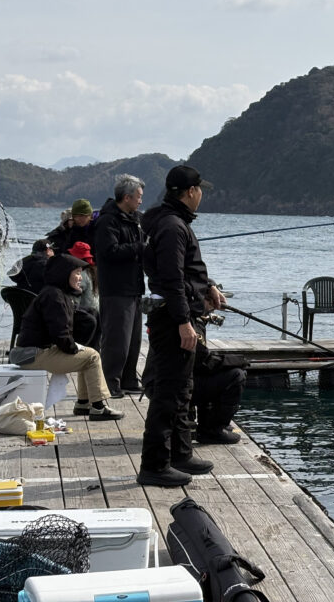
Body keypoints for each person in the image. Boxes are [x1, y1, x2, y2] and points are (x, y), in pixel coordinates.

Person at [137, 165, 223, 487]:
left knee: (183, 388)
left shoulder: (168, 221)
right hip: (172, 319)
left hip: (176, 313)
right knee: (169, 393)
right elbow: (171, 279)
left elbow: (185, 271)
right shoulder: (173, 226)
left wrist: (208, 285)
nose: (201, 195)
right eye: (200, 189)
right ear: (190, 192)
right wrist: (184, 322)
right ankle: (154, 464)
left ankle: (180, 452)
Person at [11, 253, 123, 420]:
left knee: (87, 355)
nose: (81, 278)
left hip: (32, 352)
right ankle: (98, 407)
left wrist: (76, 346)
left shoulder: (55, 293)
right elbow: (60, 334)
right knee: (92, 356)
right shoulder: (54, 297)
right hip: (32, 355)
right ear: (64, 274)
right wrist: (73, 347)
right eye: (77, 273)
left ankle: (83, 404)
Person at [94, 174, 147, 399]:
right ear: (126, 197)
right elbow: (109, 252)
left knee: (133, 340)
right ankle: (109, 383)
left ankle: (129, 380)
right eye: (138, 197)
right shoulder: (108, 221)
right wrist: (140, 247)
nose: (140, 201)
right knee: (117, 341)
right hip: (116, 289)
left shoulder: (135, 219)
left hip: (134, 287)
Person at [67, 241, 100, 350]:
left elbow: (74, 298)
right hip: (97, 315)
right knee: (94, 347)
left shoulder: (81, 275)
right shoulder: (94, 272)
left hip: (85, 316)